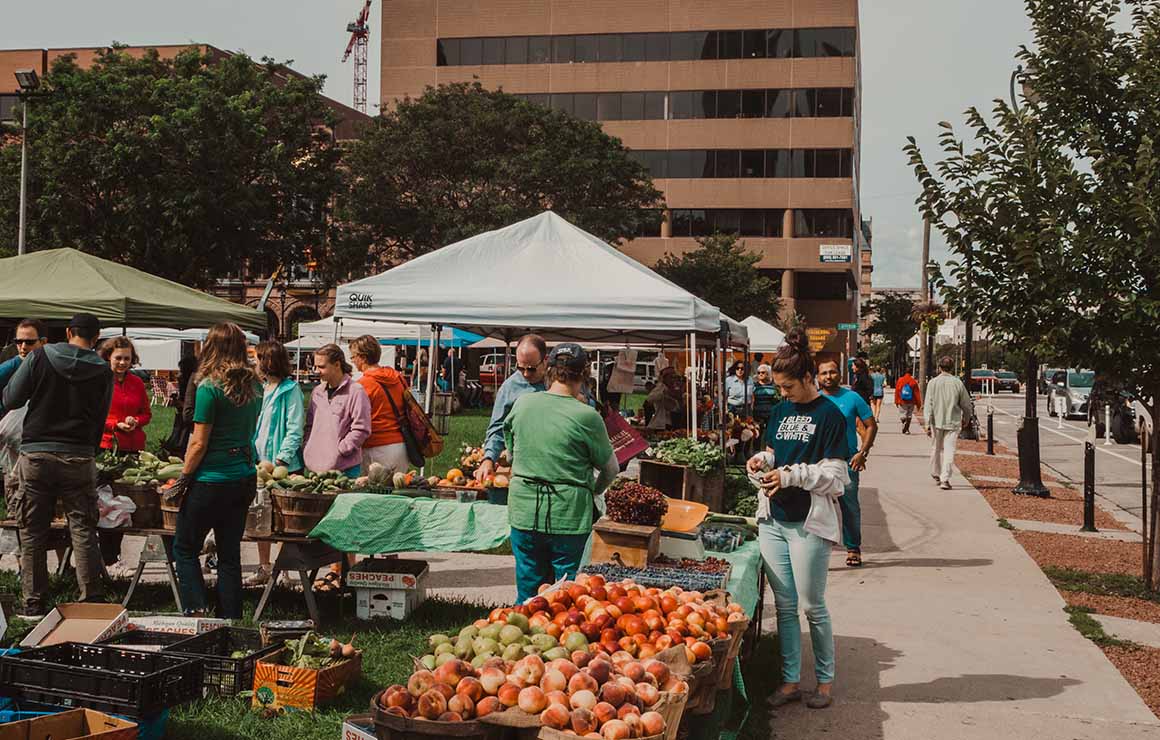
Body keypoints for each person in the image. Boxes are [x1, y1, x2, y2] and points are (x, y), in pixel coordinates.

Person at [746, 329, 848, 710]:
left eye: (788, 386)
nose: (783, 393)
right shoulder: (779, 411)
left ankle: (824, 682)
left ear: (808, 377)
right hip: (773, 520)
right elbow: (776, 451)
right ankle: (789, 681)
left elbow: (837, 478)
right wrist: (763, 460)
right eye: (778, 387)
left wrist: (792, 476)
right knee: (785, 606)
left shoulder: (830, 415)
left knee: (812, 606)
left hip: (808, 524)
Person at [3, 313, 113, 617]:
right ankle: (91, 599)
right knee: (83, 528)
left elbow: (11, 399)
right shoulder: (102, 369)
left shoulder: (39, 357)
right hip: (79, 456)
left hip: (36, 454)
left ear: (67, 332)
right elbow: (101, 416)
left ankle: (34, 601)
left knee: (32, 530)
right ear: (96, 337)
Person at [503, 343, 617, 602]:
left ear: (549, 369)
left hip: (524, 510)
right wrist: (594, 491)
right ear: (585, 374)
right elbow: (611, 469)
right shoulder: (587, 416)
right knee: (568, 594)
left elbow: (510, 454)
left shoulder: (522, 404)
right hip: (569, 513)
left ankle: (522, 622)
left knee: (528, 589)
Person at [171, 323, 260, 618]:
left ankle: (197, 612)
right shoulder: (255, 386)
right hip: (243, 476)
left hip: (211, 479)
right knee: (229, 554)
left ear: (211, 347)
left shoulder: (209, 387)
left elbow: (199, 442)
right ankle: (230, 618)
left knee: (184, 549)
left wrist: (183, 479)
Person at [304, 344, 371, 592]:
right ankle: (336, 572)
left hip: (345, 468)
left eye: (321, 366)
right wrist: (308, 448)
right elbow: (310, 425)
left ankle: (345, 573)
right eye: (316, 366)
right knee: (325, 523)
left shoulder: (356, 391)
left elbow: (362, 428)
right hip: (317, 469)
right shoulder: (317, 393)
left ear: (337, 365)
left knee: (345, 524)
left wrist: (341, 449)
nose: (317, 371)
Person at [247, 340, 305, 587]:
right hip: (260, 462)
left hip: (283, 465)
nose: (255, 363)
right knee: (261, 515)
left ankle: (284, 571)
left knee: (283, 519)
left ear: (268, 361)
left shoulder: (290, 390)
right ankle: (264, 566)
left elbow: (295, 426)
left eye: (258, 358)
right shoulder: (260, 389)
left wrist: (283, 458)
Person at [97, 337, 152, 579]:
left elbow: (147, 413)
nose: (122, 362)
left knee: (124, 505)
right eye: (118, 358)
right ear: (108, 357)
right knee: (108, 506)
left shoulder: (136, 382)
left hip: (132, 449)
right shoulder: (99, 381)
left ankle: (113, 558)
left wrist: (135, 421)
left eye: (127, 359)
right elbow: (93, 414)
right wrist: (114, 424)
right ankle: (109, 559)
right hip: (107, 449)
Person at [817, 358, 878, 567]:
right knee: (816, 507)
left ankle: (853, 548)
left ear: (840, 374)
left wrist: (863, 453)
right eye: (824, 373)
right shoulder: (813, 399)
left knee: (849, 506)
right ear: (817, 377)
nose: (828, 376)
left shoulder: (852, 397)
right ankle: (816, 551)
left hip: (846, 461)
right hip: (817, 463)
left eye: (832, 372)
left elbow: (871, 425)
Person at [475, 335, 548, 482]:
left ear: (545, 361)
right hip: (524, 468)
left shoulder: (559, 382)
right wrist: (488, 458)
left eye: (531, 369)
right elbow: (497, 427)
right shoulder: (509, 387)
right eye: (520, 368)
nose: (526, 374)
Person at [1, 320, 47, 516]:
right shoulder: (10, 367)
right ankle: (15, 517)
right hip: (13, 438)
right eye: (18, 342)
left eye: (29, 342)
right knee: (15, 482)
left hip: (38, 439)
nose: (22, 347)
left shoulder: (46, 365)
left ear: (43, 342)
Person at [350, 335, 410, 476]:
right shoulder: (397, 377)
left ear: (363, 357)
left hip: (375, 447)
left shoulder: (362, 385)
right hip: (402, 445)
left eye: (353, 357)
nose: (352, 361)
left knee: (373, 489)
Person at [925, 355, 974, 490]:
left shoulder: (932, 383)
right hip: (953, 421)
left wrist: (927, 422)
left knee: (935, 448)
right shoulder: (958, 383)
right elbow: (966, 404)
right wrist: (967, 418)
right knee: (949, 450)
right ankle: (945, 478)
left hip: (936, 420)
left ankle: (936, 472)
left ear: (939, 367)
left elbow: (928, 404)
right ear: (952, 368)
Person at [752, 364, 780, 440]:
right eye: (758, 373)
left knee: (770, 434)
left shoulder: (774, 386)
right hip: (758, 414)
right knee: (757, 435)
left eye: (763, 372)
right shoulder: (754, 386)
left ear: (768, 373)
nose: (760, 374)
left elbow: (778, 399)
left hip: (770, 414)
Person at [894, 370, 922, 434]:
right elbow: (916, 393)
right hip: (911, 401)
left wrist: (896, 401)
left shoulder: (900, 380)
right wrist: (918, 404)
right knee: (909, 415)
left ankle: (904, 423)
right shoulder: (913, 381)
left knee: (902, 414)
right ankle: (907, 429)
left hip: (902, 401)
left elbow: (897, 391)